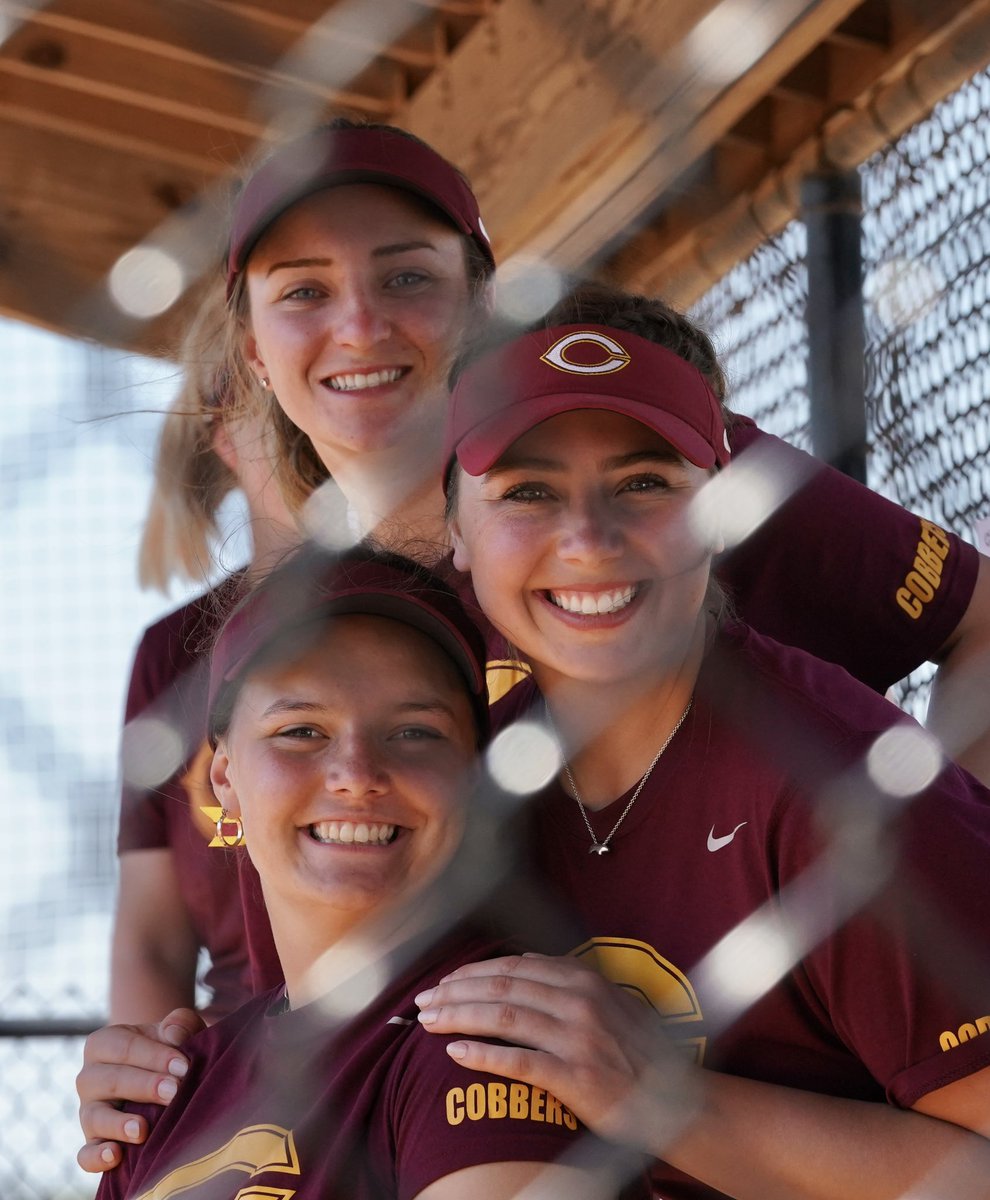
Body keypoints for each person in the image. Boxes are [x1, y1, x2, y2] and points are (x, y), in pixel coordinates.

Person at [77, 123, 990, 1166]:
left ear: (481, 297)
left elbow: (978, 621)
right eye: (303, 291)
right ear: (250, 347)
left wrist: (905, 875)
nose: (361, 324)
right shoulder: (308, 625)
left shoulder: (649, 440)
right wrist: (171, 1077)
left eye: (407, 276)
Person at [412, 288, 990, 1196]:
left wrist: (660, 1100)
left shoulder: (844, 796)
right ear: (454, 531)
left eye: (645, 483)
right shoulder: (461, 777)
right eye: (527, 491)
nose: (589, 540)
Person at [97, 543, 645, 1200]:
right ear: (225, 780)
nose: (356, 775)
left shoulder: (483, 1038)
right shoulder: (173, 1085)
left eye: (414, 732)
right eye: (300, 731)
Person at [112, 282, 298, 1023]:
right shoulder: (173, 653)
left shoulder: (450, 604)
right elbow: (150, 939)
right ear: (223, 420)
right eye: (274, 396)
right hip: (232, 1065)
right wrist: (148, 1107)